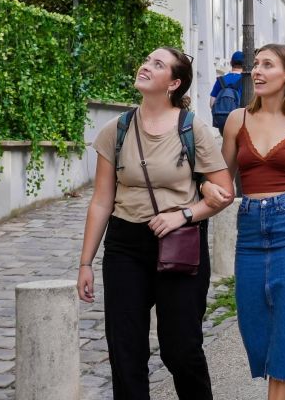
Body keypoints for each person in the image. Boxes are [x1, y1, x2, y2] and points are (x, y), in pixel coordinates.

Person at [77, 47, 235, 399]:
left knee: (181, 349)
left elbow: (224, 191)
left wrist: (183, 214)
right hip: (125, 246)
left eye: (157, 64)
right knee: (125, 350)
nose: (146, 66)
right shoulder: (115, 130)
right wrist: (85, 262)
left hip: (179, 243)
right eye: (147, 60)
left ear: (174, 83)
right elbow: (101, 200)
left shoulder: (192, 128)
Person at [204, 43, 285, 400]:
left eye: (267, 65)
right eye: (256, 64)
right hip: (249, 234)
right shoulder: (236, 120)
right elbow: (219, 180)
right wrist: (203, 192)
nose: (256, 71)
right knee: (256, 330)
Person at [209, 50, 244, 134]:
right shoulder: (247, 81)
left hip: (223, 121)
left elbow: (212, 103)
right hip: (240, 121)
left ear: (231, 62)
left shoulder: (220, 80)